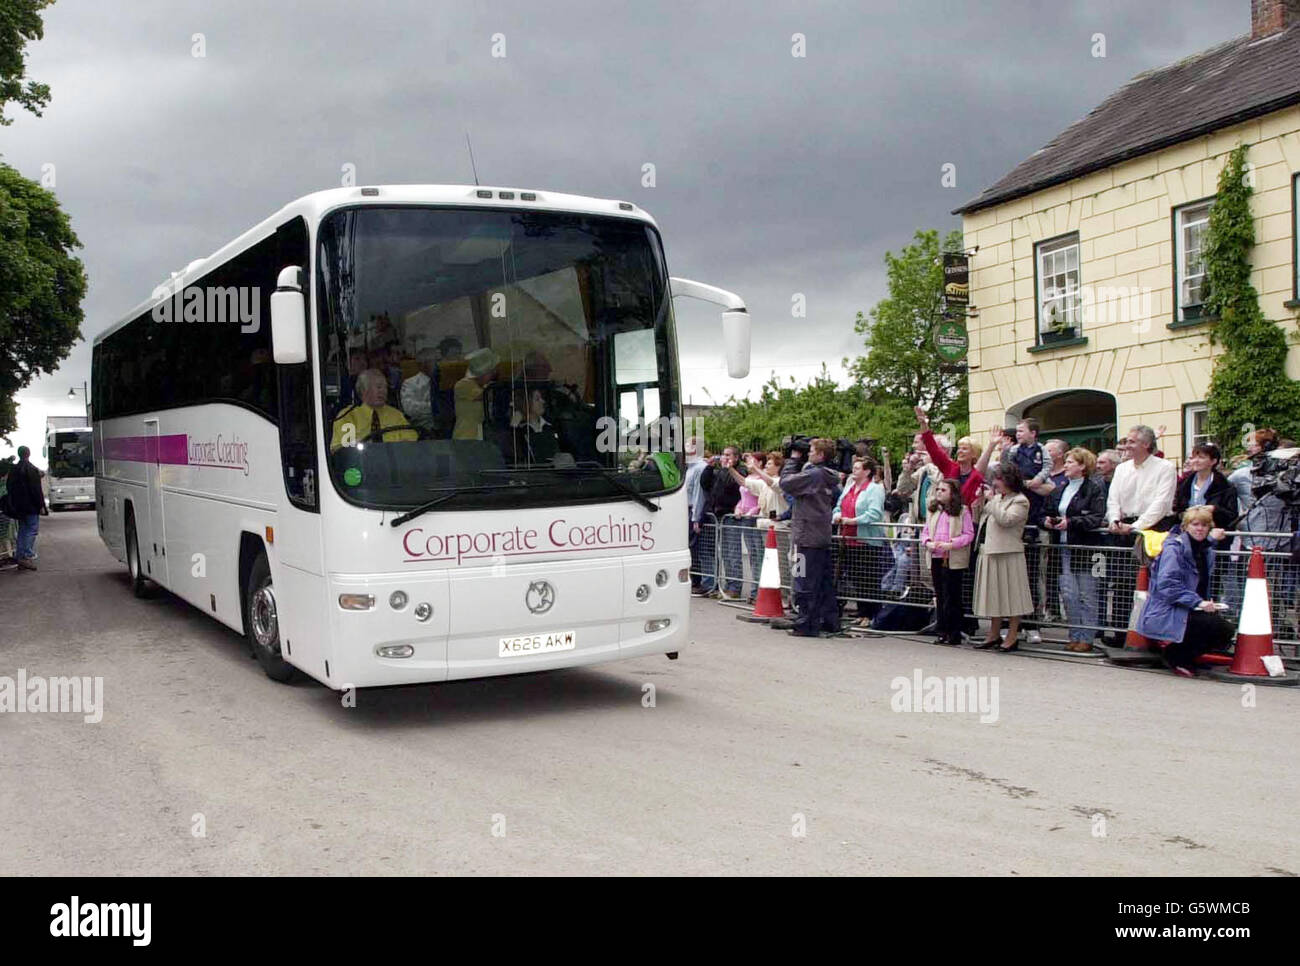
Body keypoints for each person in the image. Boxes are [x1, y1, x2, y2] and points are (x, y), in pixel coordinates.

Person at [1136, 507, 1235, 677]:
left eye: (1204, 525)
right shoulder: (1173, 549)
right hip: (1167, 610)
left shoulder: (1206, 551)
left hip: (1189, 608)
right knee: (1217, 627)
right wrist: (1198, 602)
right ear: (1185, 527)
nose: (1199, 529)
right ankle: (1176, 656)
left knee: (1224, 631)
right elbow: (1168, 586)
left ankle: (1184, 655)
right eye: (1195, 524)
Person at [1105, 424, 1177, 642]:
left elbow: (1161, 503)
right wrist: (1114, 519)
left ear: (1146, 444)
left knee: (1151, 581)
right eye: (1127, 441)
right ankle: (1120, 633)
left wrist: (1138, 526)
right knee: (1121, 581)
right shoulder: (1122, 469)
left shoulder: (1165, 468)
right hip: (1123, 527)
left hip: (1153, 528)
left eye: (1132, 441)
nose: (1127, 445)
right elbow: (1113, 498)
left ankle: (1151, 634)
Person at [770, 438, 841, 638]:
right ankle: (828, 620)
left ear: (820, 455)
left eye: (811, 450)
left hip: (807, 537)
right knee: (823, 582)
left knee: (803, 580)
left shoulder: (814, 474)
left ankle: (805, 623)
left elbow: (786, 482)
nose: (807, 453)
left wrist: (793, 460)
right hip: (820, 534)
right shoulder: (827, 475)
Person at [1043, 447, 1106, 652]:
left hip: (1083, 547)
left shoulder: (1093, 488)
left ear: (1082, 466)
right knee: (1069, 594)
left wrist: (1071, 522)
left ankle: (1086, 636)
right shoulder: (1060, 489)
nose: (1066, 465)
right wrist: (1047, 521)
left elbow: (1096, 517)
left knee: (1087, 593)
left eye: (1070, 462)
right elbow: (1048, 511)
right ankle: (1074, 634)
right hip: (1062, 547)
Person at [972, 463, 1032, 652]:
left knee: (1013, 597)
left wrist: (993, 502)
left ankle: (1012, 636)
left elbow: (1006, 520)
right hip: (989, 551)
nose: (995, 483)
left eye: (999, 479)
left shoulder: (1020, 501)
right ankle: (993, 633)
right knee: (994, 596)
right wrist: (980, 503)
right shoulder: (997, 498)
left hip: (1009, 553)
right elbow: (980, 520)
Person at [832, 457, 886, 624]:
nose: (853, 471)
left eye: (857, 468)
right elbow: (838, 506)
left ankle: (871, 614)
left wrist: (854, 520)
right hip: (848, 539)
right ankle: (862, 612)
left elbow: (875, 513)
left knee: (869, 578)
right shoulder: (849, 487)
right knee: (856, 577)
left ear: (867, 471)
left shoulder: (875, 489)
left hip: (867, 539)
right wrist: (838, 515)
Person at [921, 478, 974, 646]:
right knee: (940, 594)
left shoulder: (962, 511)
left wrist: (952, 544)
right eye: (938, 490)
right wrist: (928, 542)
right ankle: (942, 630)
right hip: (936, 556)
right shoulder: (934, 510)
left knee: (952, 595)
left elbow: (968, 534)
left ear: (953, 494)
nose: (939, 493)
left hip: (952, 558)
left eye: (943, 490)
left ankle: (954, 631)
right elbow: (925, 531)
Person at [330, 369, 418, 451]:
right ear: (364, 390)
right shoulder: (348, 416)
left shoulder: (397, 416)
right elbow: (343, 452)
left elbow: (411, 446)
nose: (383, 391)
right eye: (379, 387)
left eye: (385, 387)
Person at [1169, 442, 1238, 543]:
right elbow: (1176, 510)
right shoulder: (1184, 484)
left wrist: (1214, 509)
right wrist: (1186, 514)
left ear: (1213, 461)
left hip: (1214, 540)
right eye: (1193, 458)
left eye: (1201, 457)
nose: (1195, 461)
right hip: (1186, 538)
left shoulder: (1226, 486)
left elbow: (1232, 516)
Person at [699, 446, 743, 599]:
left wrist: (727, 468)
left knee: (732, 553)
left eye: (728, 455)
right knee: (723, 553)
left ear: (736, 458)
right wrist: (709, 468)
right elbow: (705, 484)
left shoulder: (738, 472)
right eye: (723, 455)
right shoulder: (721, 471)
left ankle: (734, 586)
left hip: (730, 515)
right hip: (717, 514)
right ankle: (724, 585)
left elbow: (731, 484)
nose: (724, 458)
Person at [6, 446, 47, 571]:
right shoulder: (31, 469)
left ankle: (20, 555)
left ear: (19, 454)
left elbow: (9, 487)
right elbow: (36, 490)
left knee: (23, 530)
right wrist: (41, 506)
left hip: (18, 506)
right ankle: (26, 555)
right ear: (29, 454)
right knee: (31, 530)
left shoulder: (14, 469)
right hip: (31, 506)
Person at [452, 347, 499, 440]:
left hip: (485, 437)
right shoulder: (463, 385)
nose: (493, 374)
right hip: (467, 437)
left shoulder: (486, 385)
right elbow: (485, 396)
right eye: (490, 372)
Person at [509, 387, 561, 464]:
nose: (543, 401)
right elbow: (515, 455)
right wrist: (514, 426)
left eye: (541, 398)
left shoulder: (552, 426)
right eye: (537, 399)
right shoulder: (519, 430)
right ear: (525, 403)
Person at [686, 449, 711, 596]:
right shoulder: (689, 468)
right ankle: (695, 579)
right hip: (686, 509)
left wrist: (696, 516)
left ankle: (699, 580)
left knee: (697, 548)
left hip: (692, 510)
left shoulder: (700, 468)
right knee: (691, 548)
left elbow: (698, 494)